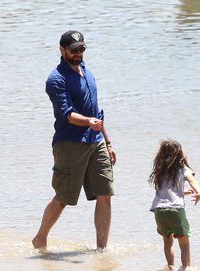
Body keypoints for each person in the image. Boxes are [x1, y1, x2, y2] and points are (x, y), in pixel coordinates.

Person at [32, 30, 117, 250]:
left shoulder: (86, 71)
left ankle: (101, 249)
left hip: (96, 140)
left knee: (105, 194)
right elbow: (68, 114)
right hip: (70, 143)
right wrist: (89, 121)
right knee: (63, 198)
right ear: (62, 50)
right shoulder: (56, 79)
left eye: (82, 49)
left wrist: (108, 142)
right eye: (74, 50)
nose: (79, 53)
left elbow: (96, 111)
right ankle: (40, 238)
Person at [149, 139, 200, 271]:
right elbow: (192, 180)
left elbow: (166, 190)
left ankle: (171, 267)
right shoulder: (182, 169)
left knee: (167, 242)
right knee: (184, 243)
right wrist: (198, 192)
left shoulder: (159, 171)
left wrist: (182, 192)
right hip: (175, 209)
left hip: (159, 210)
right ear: (179, 154)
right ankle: (185, 269)